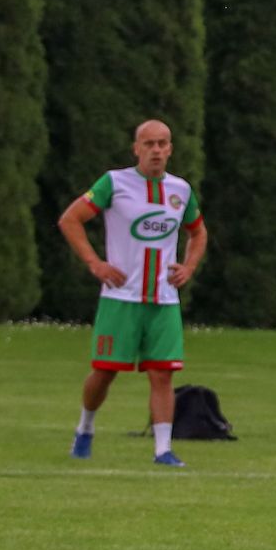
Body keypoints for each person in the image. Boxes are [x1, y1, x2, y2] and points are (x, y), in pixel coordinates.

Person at [60, 119, 208, 467]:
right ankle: (85, 428)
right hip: (120, 298)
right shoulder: (114, 183)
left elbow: (198, 232)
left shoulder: (181, 190)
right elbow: (70, 219)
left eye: (162, 143)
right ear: (136, 148)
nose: (156, 150)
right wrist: (95, 263)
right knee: (105, 372)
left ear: (170, 149)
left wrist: (189, 267)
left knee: (163, 373)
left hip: (164, 300)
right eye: (149, 143)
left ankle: (163, 450)